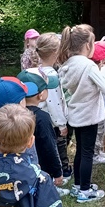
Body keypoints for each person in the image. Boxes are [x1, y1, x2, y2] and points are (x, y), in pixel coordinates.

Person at [58, 24, 105, 203]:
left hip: (75, 114)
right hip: (89, 115)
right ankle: (85, 190)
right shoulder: (89, 66)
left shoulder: (67, 64)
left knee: (80, 151)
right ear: (88, 45)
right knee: (87, 153)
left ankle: (78, 184)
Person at [36, 33, 72, 186]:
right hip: (51, 121)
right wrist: (61, 124)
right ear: (55, 52)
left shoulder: (36, 71)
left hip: (39, 118)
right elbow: (54, 102)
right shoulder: (51, 76)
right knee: (57, 148)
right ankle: (61, 173)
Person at [18, 69, 64, 186]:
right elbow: (49, 146)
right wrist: (57, 171)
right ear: (41, 94)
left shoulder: (14, 115)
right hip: (42, 169)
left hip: (20, 167)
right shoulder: (42, 118)